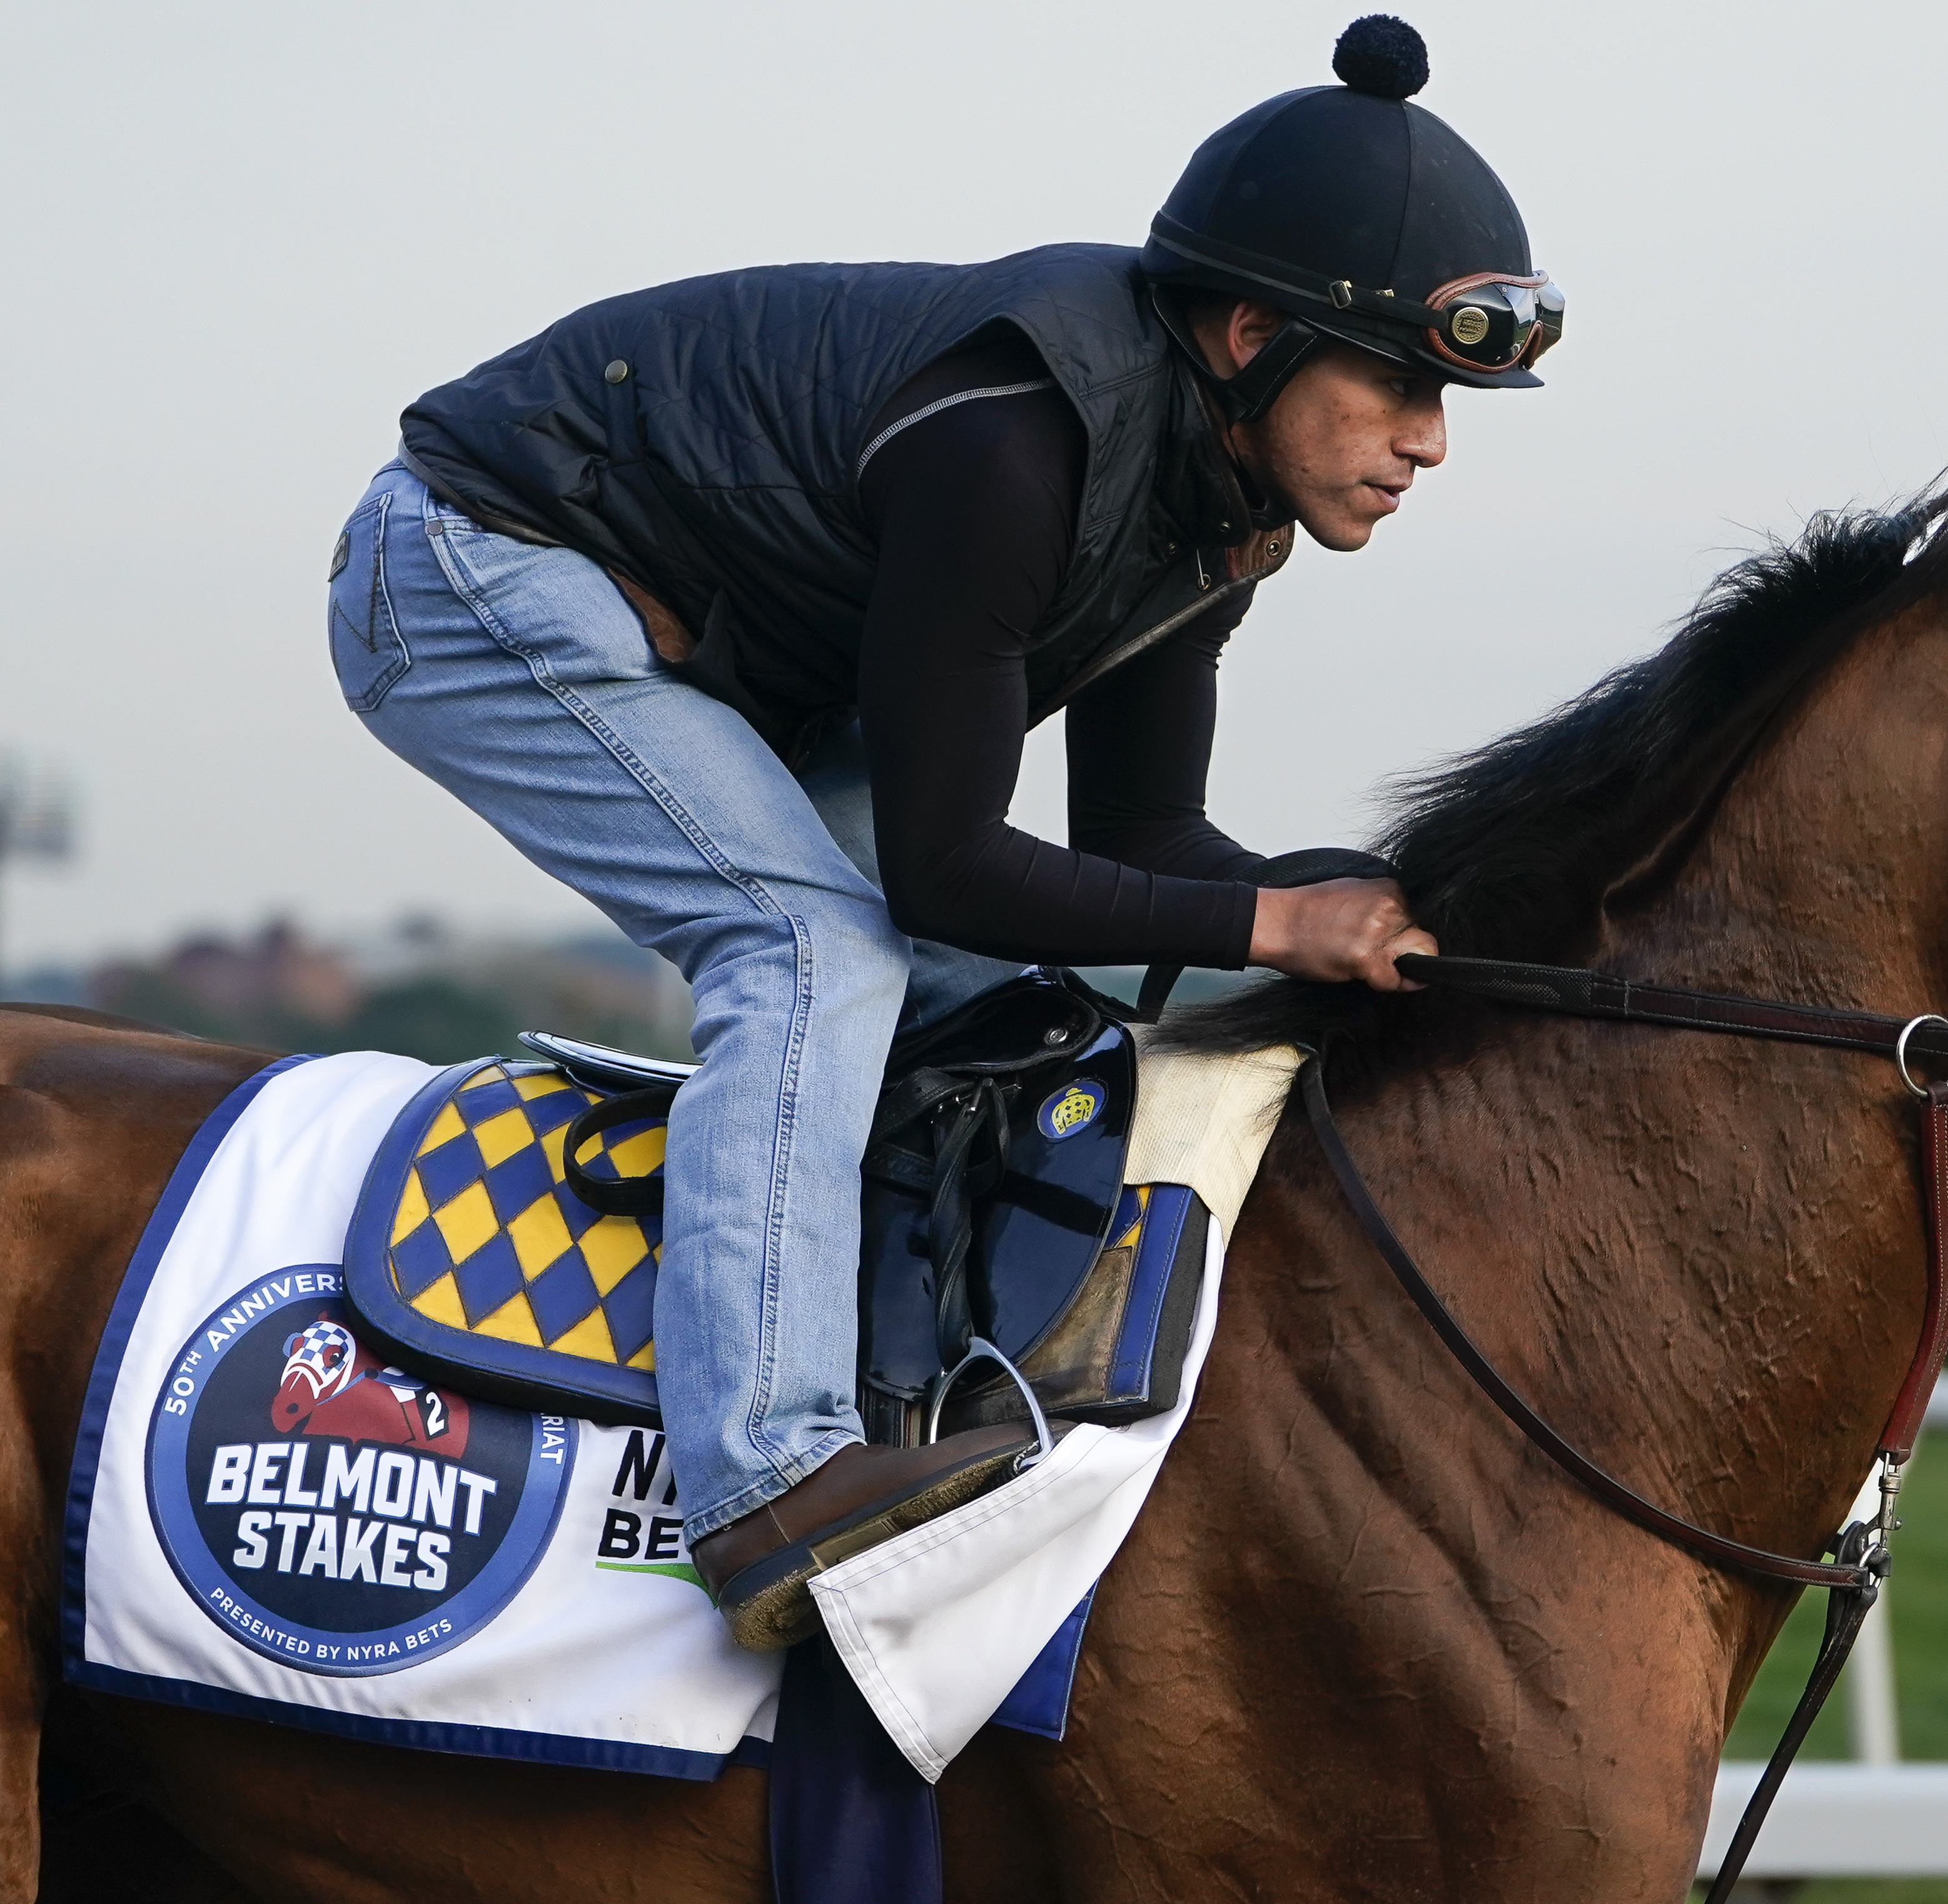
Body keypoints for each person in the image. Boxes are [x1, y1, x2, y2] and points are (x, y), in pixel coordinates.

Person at [325, 14, 1563, 1650]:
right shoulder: (1015, 442)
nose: (1430, 441)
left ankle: (910, 1370)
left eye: (1449, 396)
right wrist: (1279, 927)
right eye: (1400, 383)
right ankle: (765, 1482)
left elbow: (1147, 842)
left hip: (724, 652)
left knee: (994, 995)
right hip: (474, 566)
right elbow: (945, 863)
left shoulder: (1216, 507)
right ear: (1255, 336)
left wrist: (1387, 905)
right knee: (812, 953)